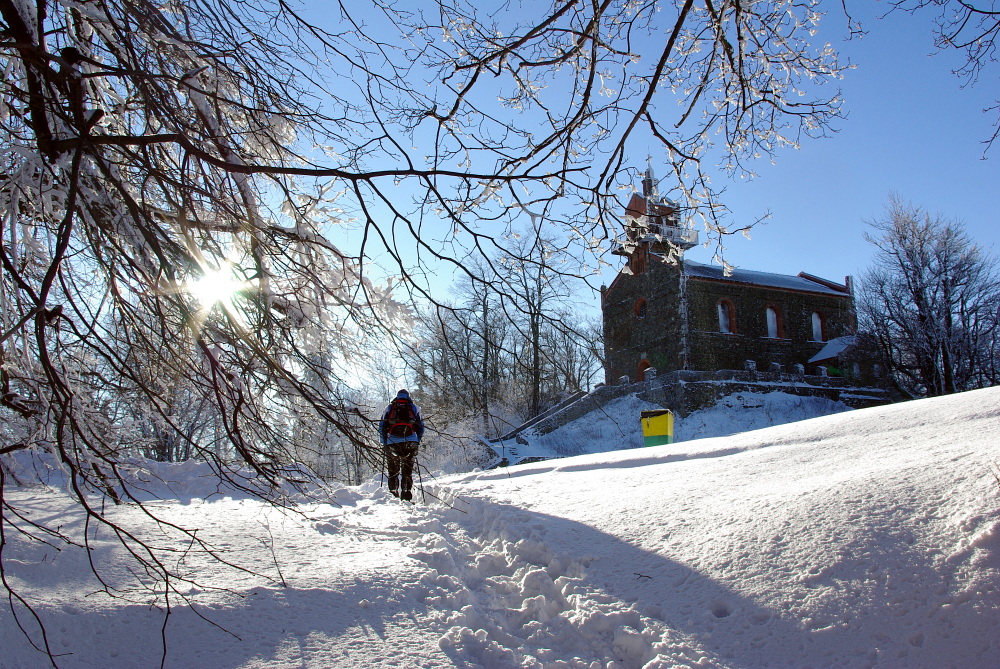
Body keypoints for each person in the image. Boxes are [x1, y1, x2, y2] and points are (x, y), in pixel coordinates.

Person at [379, 389, 424, 501]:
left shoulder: (389, 408)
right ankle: (406, 493)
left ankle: (393, 493)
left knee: (393, 470)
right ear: (408, 396)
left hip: (392, 443)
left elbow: (382, 426)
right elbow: (421, 426)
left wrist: (384, 442)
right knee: (407, 469)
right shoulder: (414, 407)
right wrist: (417, 440)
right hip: (411, 442)